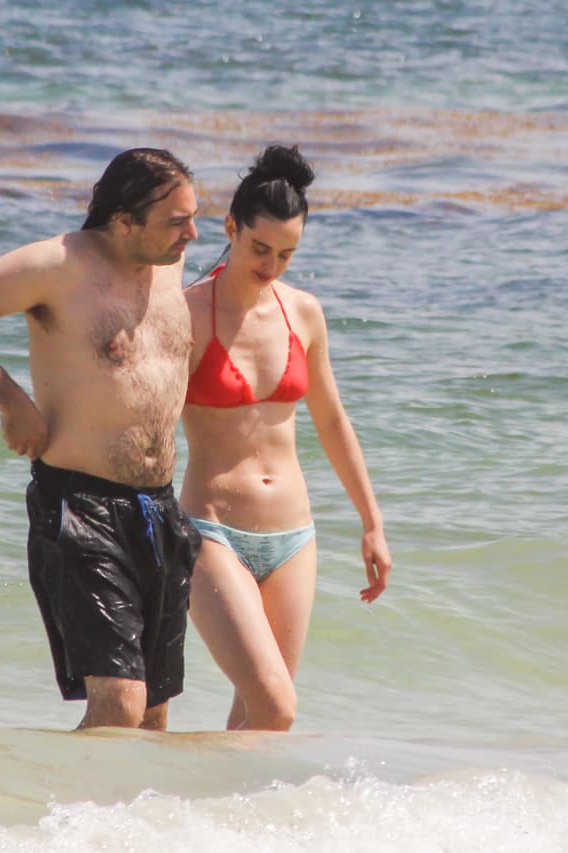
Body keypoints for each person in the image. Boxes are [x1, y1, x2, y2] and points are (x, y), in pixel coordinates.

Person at [0, 148, 203, 731]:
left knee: (153, 714)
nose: (192, 233)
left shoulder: (170, 264)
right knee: (119, 704)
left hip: (160, 510)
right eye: (176, 220)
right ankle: (62, 815)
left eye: (195, 215)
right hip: (81, 506)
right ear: (123, 222)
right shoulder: (57, 265)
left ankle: (121, 823)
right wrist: (11, 402)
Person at [180, 144, 393, 731]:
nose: (271, 265)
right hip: (211, 530)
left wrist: (371, 523)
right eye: (260, 249)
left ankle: (217, 818)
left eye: (287, 254)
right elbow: (146, 419)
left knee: (257, 717)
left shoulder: (304, 313)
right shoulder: (189, 314)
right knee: (276, 707)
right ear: (231, 227)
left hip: (294, 537)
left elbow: (331, 420)